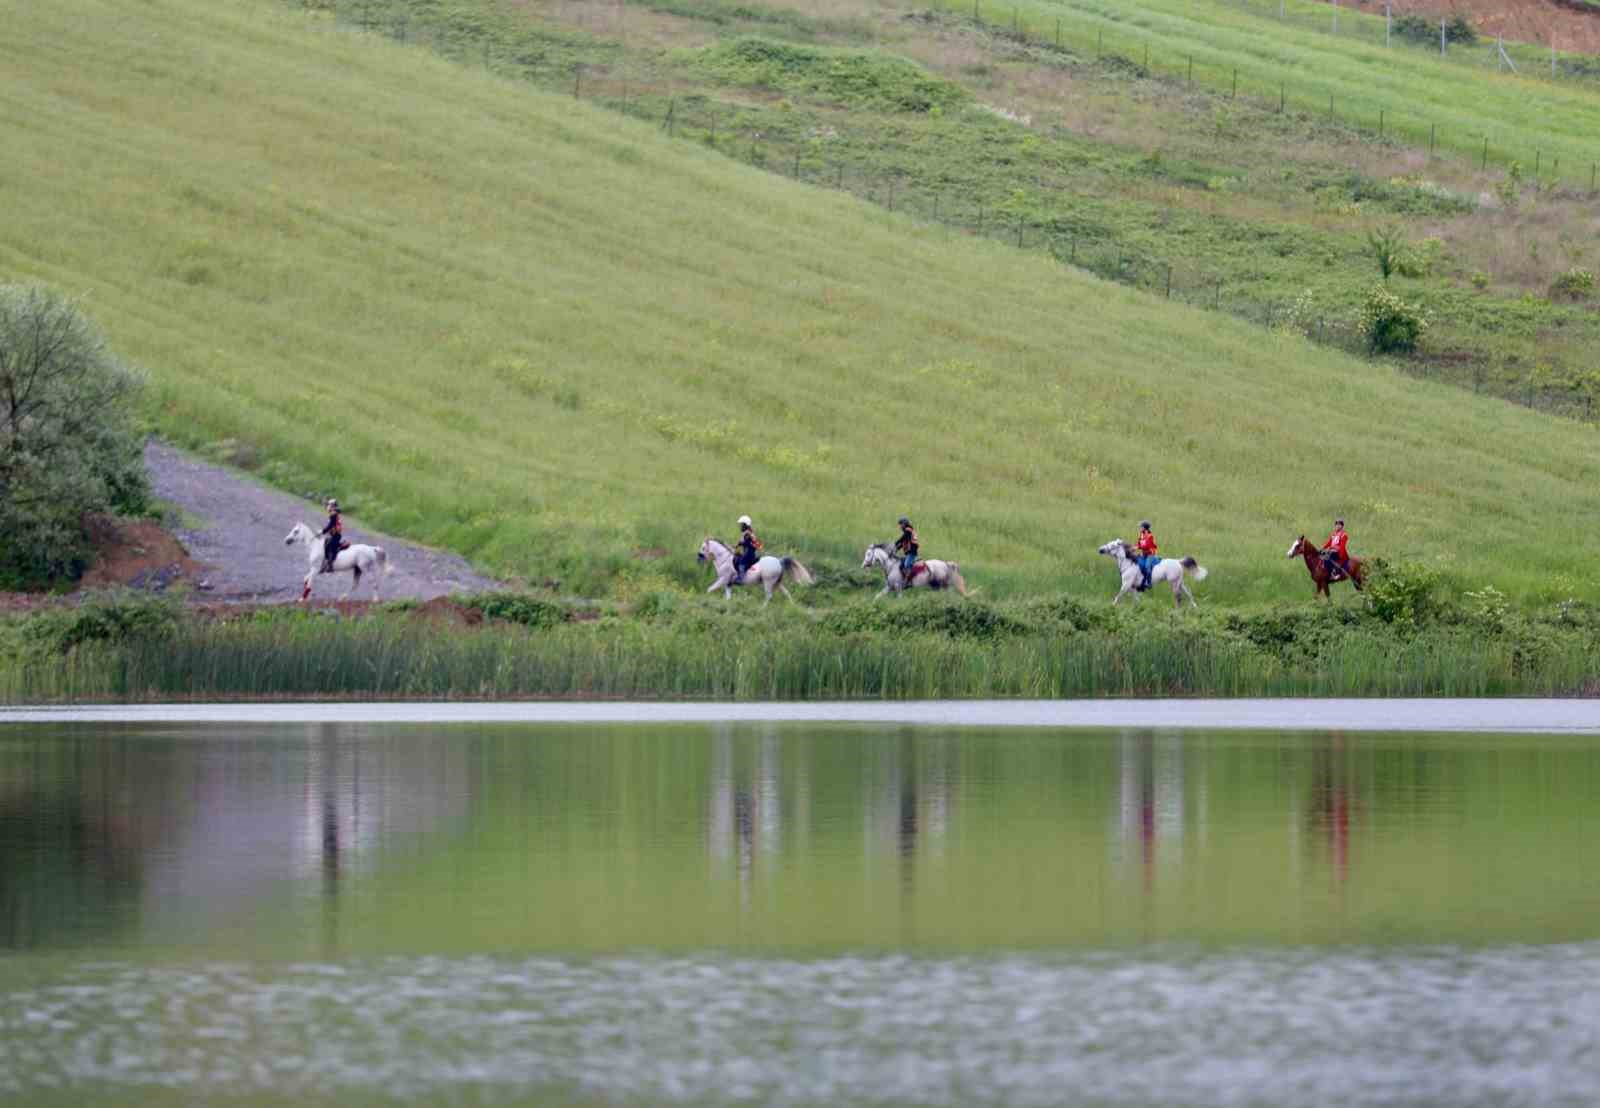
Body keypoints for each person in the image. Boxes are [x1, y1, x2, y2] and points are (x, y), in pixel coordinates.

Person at [733, 515, 762, 584]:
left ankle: (741, 578)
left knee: (742, 561)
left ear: (745, 525)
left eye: (741, 525)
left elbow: (749, 543)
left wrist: (739, 544)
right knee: (737, 557)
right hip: (747, 551)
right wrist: (736, 545)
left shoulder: (748, 534)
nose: (740, 526)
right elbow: (742, 542)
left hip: (749, 553)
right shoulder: (746, 533)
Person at [319, 498, 345, 573]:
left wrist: (322, 531)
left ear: (333, 506)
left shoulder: (333, 515)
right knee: (325, 544)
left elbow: (330, 526)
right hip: (334, 534)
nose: (327, 507)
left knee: (330, 546)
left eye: (329, 505)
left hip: (336, 535)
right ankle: (324, 565)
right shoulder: (334, 514)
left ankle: (330, 566)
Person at [893, 516, 919, 581]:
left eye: (901, 524)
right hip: (909, 552)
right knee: (901, 564)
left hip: (912, 552)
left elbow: (903, 538)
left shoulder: (908, 530)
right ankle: (904, 578)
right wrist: (896, 549)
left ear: (904, 524)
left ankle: (908, 580)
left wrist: (895, 543)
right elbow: (903, 543)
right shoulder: (907, 532)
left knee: (907, 564)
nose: (900, 526)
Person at [1135, 520, 1158, 590]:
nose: (1140, 528)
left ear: (1145, 528)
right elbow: (1139, 543)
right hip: (1144, 554)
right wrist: (1134, 547)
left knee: (1147, 566)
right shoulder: (1141, 535)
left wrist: (1137, 547)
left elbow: (1146, 546)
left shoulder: (1150, 536)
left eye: (1141, 526)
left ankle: (1149, 582)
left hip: (1150, 554)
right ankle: (1140, 581)